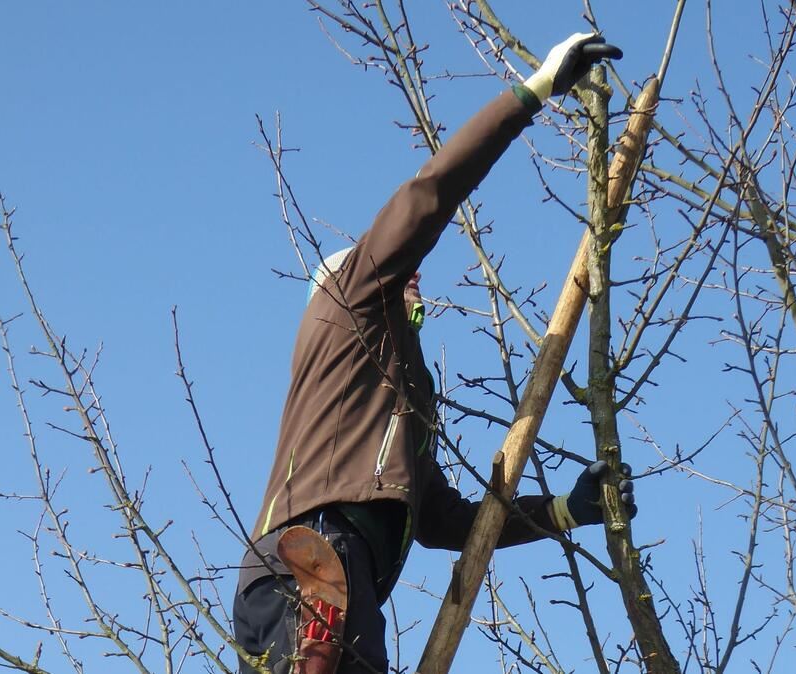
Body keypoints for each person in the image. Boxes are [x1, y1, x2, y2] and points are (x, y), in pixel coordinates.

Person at [234, 32, 636, 674]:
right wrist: (530, 95)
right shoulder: (349, 299)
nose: (415, 276)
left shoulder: (402, 404)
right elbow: (428, 198)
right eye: (400, 271)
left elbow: (446, 521)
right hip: (309, 556)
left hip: (344, 576)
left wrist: (563, 511)